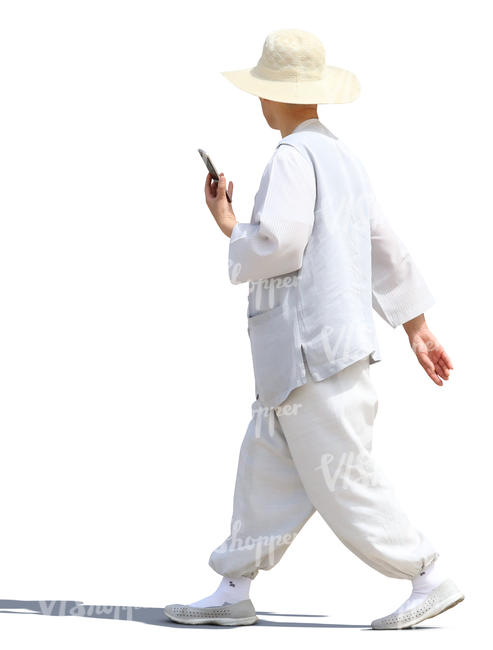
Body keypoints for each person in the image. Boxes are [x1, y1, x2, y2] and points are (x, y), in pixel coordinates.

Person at [163, 28, 464, 630]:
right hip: (313, 355)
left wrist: (229, 225)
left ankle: (427, 574)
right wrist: (416, 325)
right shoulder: (343, 159)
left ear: (268, 96)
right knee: (265, 468)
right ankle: (233, 586)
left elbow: (280, 243)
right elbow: (385, 247)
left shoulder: (293, 157)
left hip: (310, 353)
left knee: (341, 475)